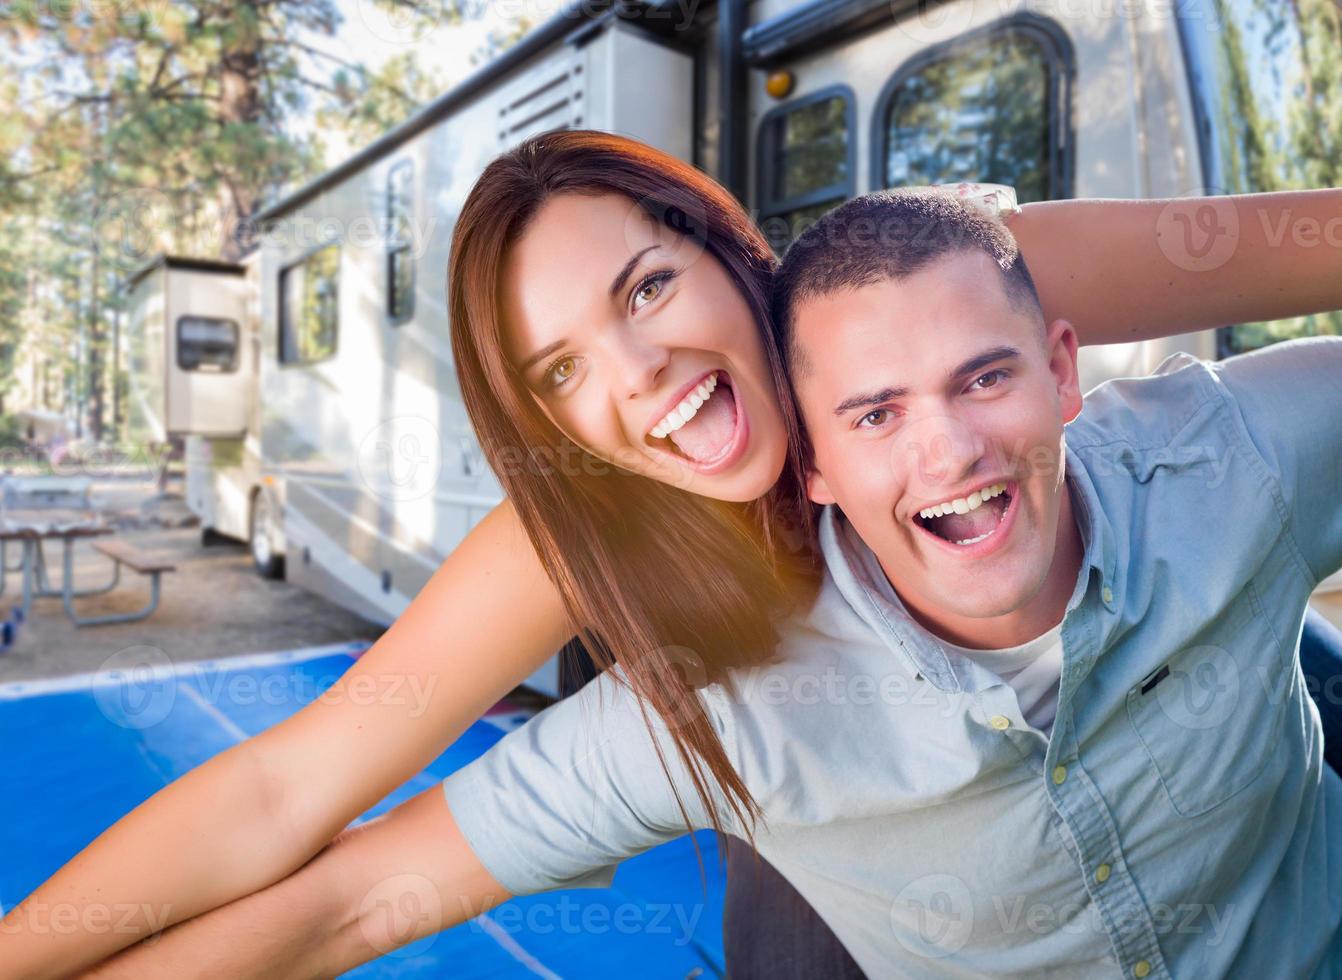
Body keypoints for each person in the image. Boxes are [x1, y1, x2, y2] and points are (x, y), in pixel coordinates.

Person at [7, 131, 1341, 978]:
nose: (639, 374)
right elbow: (289, 805)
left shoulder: (938, 282)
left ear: (728, 254)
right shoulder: (589, 540)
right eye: (563, 370)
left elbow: (1296, 245)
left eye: (646, 288)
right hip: (825, 792)